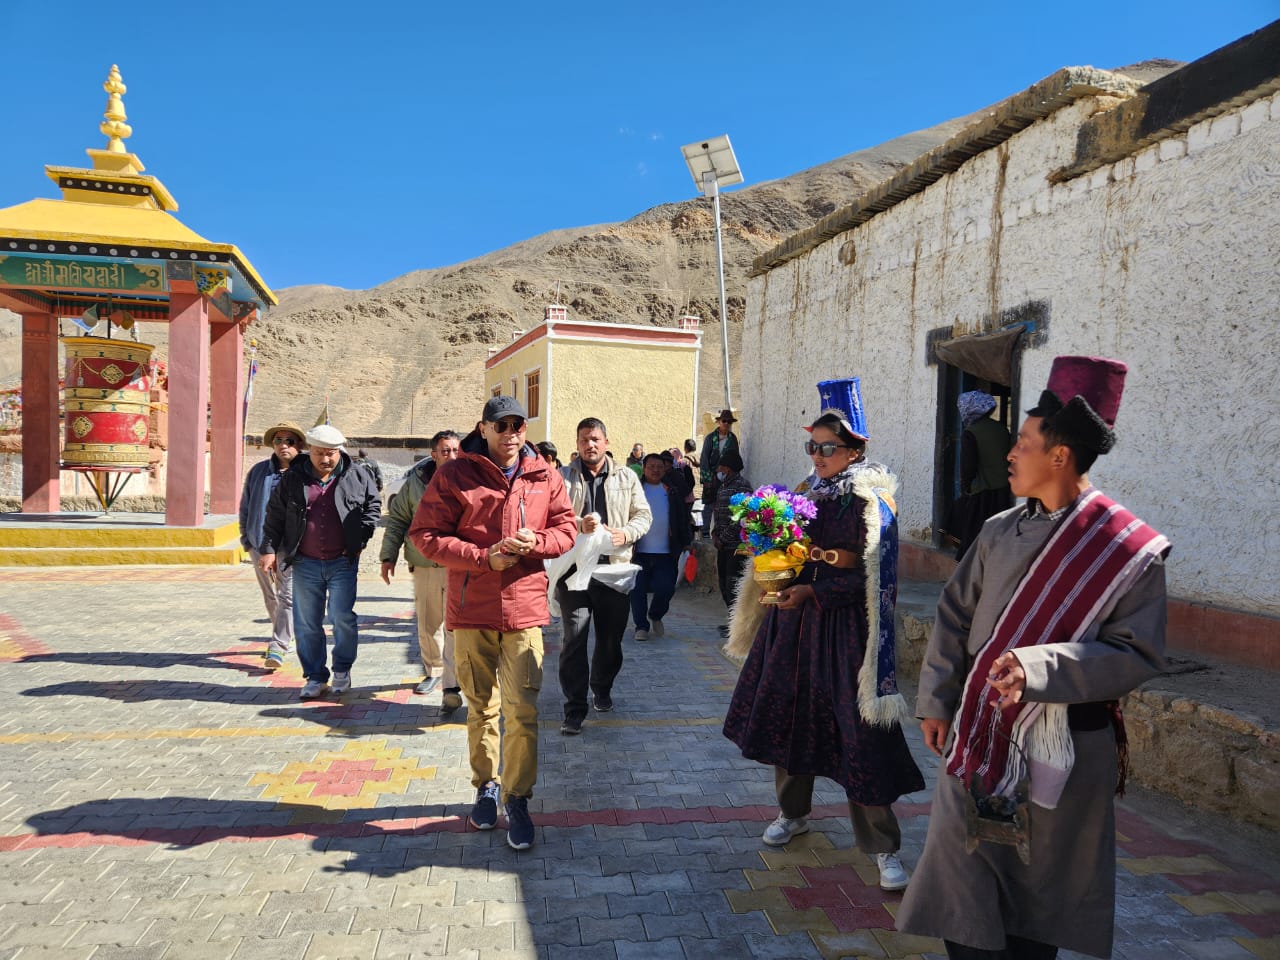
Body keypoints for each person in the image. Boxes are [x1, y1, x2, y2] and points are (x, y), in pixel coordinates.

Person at [897, 356, 1171, 960]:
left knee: (1035, 907)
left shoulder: (1128, 550)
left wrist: (1038, 668)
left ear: (1060, 456)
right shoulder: (997, 530)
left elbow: (1137, 654)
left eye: (1022, 442)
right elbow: (952, 617)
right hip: (978, 735)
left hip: (1066, 749)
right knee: (964, 898)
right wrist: (937, 700)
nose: (1009, 455)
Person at [722, 377, 924, 892]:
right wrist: (775, 570)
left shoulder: (874, 503)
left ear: (856, 450)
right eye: (811, 445)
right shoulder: (803, 491)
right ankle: (794, 813)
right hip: (792, 629)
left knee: (860, 735)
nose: (816, 455)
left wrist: (815, 590)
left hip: (845, 633)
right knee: (790, 720)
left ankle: (882, 847)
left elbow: (875, 575)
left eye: (827, 447)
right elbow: (782, 550)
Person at [408, 397, 576, 850]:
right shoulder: (454, 473)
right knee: (481, 707)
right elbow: (424, 535)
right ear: (483, 428)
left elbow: (567, 529)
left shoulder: (544, 473)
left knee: (523, 710)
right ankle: (486, 786)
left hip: (524, 613)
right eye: (501, 425)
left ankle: (518, 798)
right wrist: (484, 557)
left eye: (517, 424)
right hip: (472, 611)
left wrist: (535, 541)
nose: (511, 432)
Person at [259, 424, 382, 700]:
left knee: (342, 617)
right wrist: (268, 549)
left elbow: (373, 506)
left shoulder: (357, 475)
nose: (325, 459)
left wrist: (361, 537)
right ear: (309, 451)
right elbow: (275, 515)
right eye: (319, 453)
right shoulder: (293, 479)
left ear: (340, 451)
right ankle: (315, 676)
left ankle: (342, 669)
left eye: (331, 454)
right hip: (305, 562)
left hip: (343, 562)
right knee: (306, 622)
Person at [556, 417, 652, 734]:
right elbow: (551, 518)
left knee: (610, 641)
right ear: (578, 443)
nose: (590, 444)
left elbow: (643, 515)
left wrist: (625, 534)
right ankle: (574, 709)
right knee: (574, 638)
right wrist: (575, 526)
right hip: (574, 572)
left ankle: (602, 687)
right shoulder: (562, 477)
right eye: (584, 439)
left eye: (595, 439)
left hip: (614, 571)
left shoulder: (626, 477)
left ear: (606, 442)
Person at [380, 429, 463, 710]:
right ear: (434, 455)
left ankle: (454, 680)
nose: (451, 455)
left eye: (455, 450)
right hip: (425, 563)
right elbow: (398, 520)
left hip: (458, 564)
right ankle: (435, 672)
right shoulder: (415, 484)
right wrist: (388, 556)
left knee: (456, 625)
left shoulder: (468, 480)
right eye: (445, 450)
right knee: (429, 624)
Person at [239, 421, 305, 669]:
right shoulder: (258, 472)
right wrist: (247, 539)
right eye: (278, 440)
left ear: (299, 445)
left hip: (290, 546)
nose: (283, 445)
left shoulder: (306, 473)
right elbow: (246, 506)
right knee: (270, 596)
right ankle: (287, 633)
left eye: (289, 441)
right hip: (259, 542)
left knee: (286, 596)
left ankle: (278, 646)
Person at [629, 452, 693, 641]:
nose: (655, 470)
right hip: (638, 551)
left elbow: (682, 517)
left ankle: (656, 615)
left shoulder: (672, 490)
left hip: (666, 552)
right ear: (644, 468)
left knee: (666, 588)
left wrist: (686, 541)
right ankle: (641, 626)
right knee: (637, 589)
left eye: (659, 467)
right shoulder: (636, 489)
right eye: (651, 467)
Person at [948, 391, 1013, 560]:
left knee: (972, 535)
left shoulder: (971, 432)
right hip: (1004, 489)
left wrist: (967, 487)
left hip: (982, 491)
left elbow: (968, 466)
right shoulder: (1001, 428)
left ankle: (971, 573)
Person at [711, 449, 752, 638]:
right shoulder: (723, 486)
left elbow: (742, 518)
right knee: (723, 584)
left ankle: (739, 628)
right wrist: (714, 534)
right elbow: (718, 513)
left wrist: (724, 537)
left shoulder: (742, 487)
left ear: (727, 468)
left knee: (733, 585)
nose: (718, 469)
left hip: (736, 546)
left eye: (720, 466)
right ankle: (731, 622)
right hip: (722, 545)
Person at [700, 410, 740, 537]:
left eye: (729, 422)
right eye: (724, 421)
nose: (726, 424)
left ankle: (723, 532)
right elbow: (704, 458)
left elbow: (735, 458)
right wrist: (707, 479)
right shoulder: (710, 438)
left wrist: (734, 475)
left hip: (727, 476)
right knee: (709, 504)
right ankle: (705, 531)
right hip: (712, 475)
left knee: (726, 504)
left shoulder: (733, 439)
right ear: (719, 422)